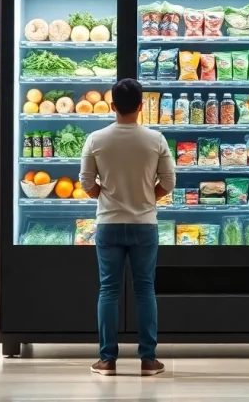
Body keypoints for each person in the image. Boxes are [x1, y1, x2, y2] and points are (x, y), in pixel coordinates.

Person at [79, 78, 175, 377]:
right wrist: (147, 198)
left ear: (112, 106)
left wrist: (106, 196)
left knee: (108, 289)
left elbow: (85, 182)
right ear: (141, 106)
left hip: (108, 224)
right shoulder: (155, 139)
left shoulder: (96, 139)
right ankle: (148, 360)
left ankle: (107, 360)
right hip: (144, 225)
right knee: (145, 289)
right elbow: (169, 182)